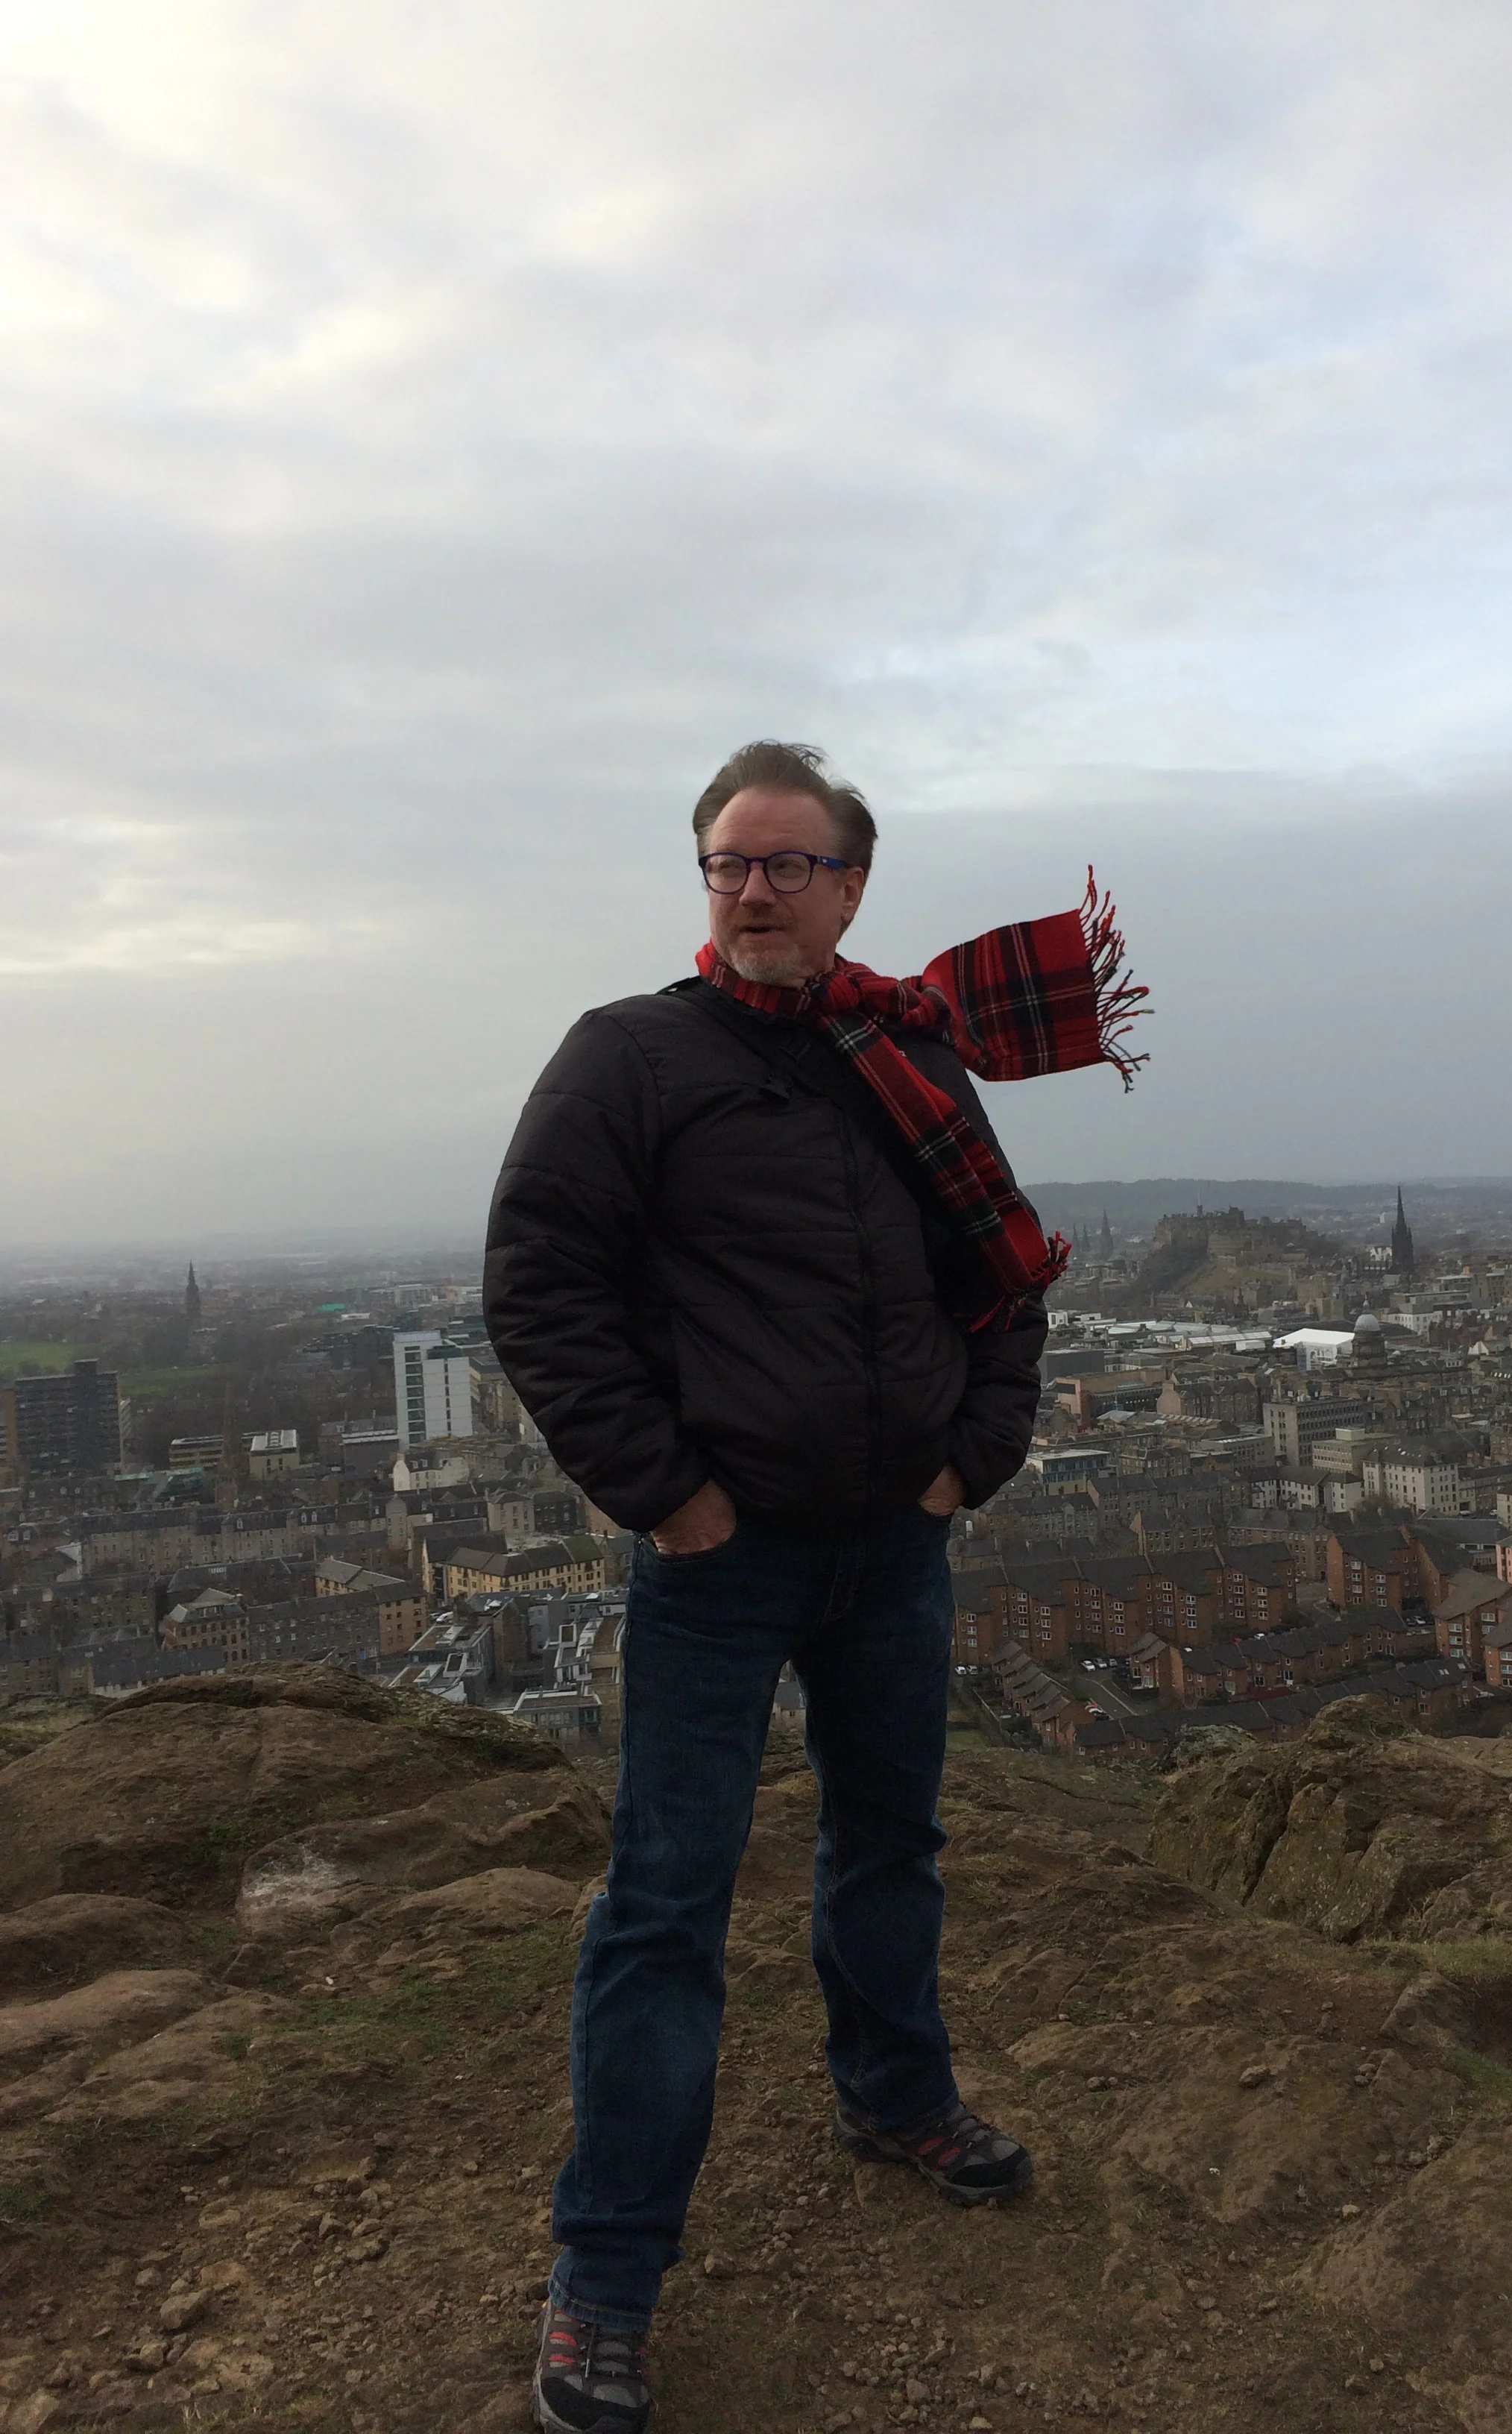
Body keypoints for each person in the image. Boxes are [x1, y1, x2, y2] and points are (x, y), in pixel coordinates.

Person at [484, 740, 1145, 2434]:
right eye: (727, 864)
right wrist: (671, 1499)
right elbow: (541, 1286)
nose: (754, 888)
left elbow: (1001, 1282)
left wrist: (963, 1465)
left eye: (788, 864)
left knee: (891, 1847)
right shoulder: (631, 1057)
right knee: (665, 1906)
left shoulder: (911, 1057)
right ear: (703, 883)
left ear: (853, 883)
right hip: (723, 1559)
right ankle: (607, 2278)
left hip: (894, 1548)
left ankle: (897, 2097)